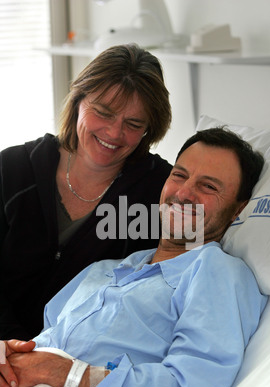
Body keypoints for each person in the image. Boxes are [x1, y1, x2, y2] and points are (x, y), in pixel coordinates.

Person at [0, 128, 267, 387]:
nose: (184, 193)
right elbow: (43, 346)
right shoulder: (104, 271)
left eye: (208, 186)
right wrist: (8, 357)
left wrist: (68, 375)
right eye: (179, 175)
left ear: (237, 208)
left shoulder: (217, 272)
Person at [0, 44, 172, 341]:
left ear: (150, 129)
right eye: (103, 113)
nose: (114, 133)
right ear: (78, 100)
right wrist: (12, 347)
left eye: (133, 124)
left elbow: (171, 287)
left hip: (82, 359)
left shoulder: (160, 191)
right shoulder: (13, 170)